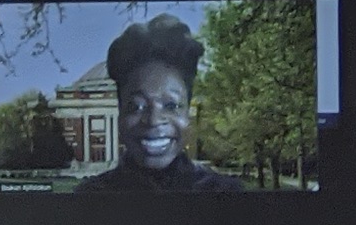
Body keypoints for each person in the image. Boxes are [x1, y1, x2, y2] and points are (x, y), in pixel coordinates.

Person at [77, 15, 245, 193]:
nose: (153, 120)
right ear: (119, 112)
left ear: (188, 112)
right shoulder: (89, 197)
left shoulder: (224, 194)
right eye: (136, 106)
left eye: (171, 105)